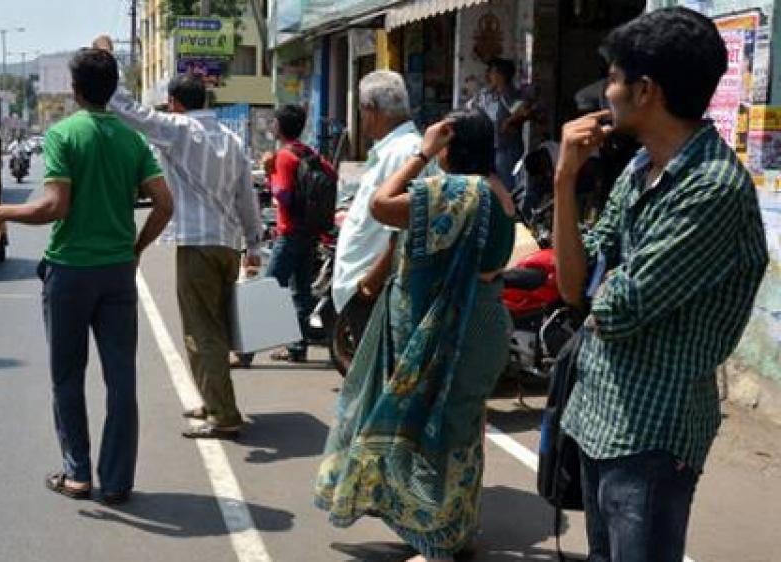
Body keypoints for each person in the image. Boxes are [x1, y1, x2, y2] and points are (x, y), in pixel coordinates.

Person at [553, 8, 768, 561]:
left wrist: (603, 281)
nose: (607, 91)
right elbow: (575, 288)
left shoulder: (712, 189)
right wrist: (564, 179)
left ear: (645, 90)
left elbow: (617, 307)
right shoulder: (639, 168)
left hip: (651, 433)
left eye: (615, 78)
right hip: (597, 412)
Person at [0, 47, 174, 506]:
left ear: (75, 90)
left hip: (71, 273)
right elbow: (165, 203)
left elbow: (53, 207)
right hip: (118, 272)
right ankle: (117, 482)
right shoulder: (133, 140)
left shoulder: (63, 135)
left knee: (67, 375)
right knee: (121, 379)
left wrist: (0, 211)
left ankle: (77, 473)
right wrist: (136, 248)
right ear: (112, 88)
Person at [314, 108, 517, 562]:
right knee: (461, 431)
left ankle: (437, 541)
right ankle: (456, 529)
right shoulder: (497, 190)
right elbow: (403, 238)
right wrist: (372, 279)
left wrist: (422, 153)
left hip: (453, 328)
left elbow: (381, 206)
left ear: (450, 145)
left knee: (435, 431)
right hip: (484, 320)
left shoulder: (455, 191)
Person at [95, 34, 265, 440]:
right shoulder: (233, 139)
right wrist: (254, 245)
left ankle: (224, 415)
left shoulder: (178, 130)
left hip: (197, 243)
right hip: (227, 243)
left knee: (201, 330)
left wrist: (106, 61)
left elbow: (128, 110)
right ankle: (213, 399)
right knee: (217, 328)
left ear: (175, 102)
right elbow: (248, 198)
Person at [331, 70, 435, 353]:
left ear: (371, 111)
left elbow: (404, 230)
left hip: (376, 289)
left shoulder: (404, 153)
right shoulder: (393, 151)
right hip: (367, 287)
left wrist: (368, 286)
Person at [258, 104, 334, 364]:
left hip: (290, 233)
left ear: (279, 126)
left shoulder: (283, 156)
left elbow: (283, 195)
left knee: (268, 290)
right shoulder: (309, 153)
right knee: (300, 292)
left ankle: (245, 352)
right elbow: (332, 175)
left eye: (274, 122)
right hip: (309, 232)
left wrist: (269, 173)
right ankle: (297, 348)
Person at [469, 57, 531, 190]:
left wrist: (508, 122)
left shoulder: (508, 94)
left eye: (492, 72)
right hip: (494, 147)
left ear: (500, 75)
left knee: (505, 187)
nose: (489, 76)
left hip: (506, 149)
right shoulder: (492, 94)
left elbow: (523, 111)